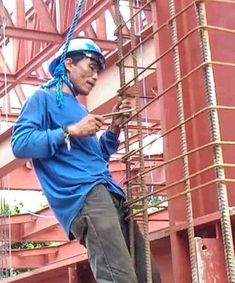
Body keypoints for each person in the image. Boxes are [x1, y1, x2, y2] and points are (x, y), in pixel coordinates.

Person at [11, 38, 161, 283]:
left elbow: (95, 158)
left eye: (98, 71)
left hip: (107, 193)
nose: (95, 76)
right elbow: (20, 144)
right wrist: (70, 131)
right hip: (86, 196)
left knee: (149, 276)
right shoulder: (42, 99)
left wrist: (113, 130)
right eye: (91, 66)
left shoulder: (79, 110)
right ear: (68, 63)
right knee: (118, 278)